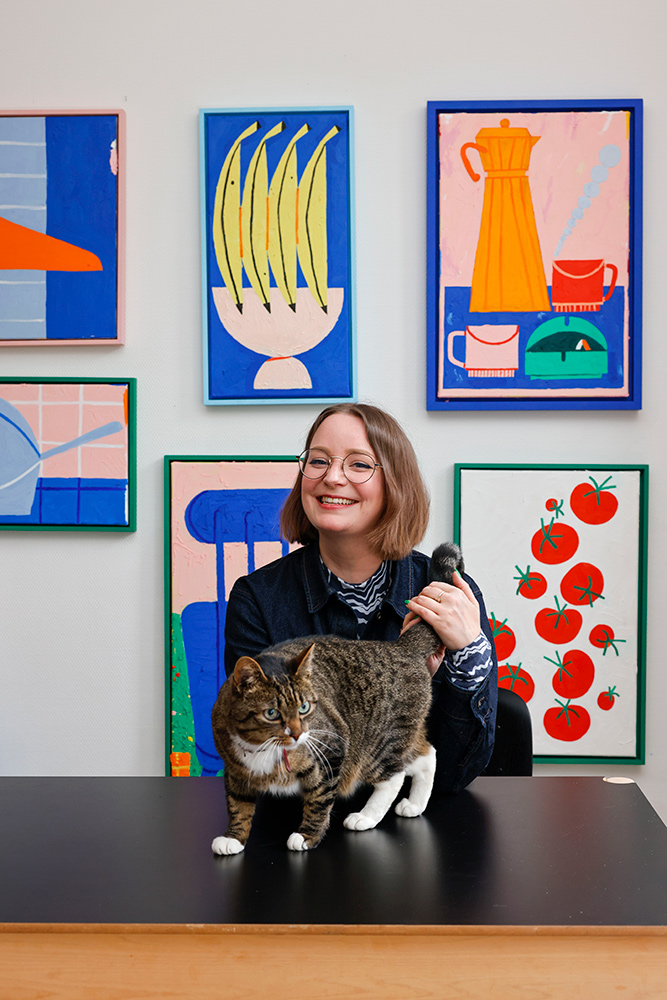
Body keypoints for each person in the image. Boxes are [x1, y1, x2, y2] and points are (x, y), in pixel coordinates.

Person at [224, 403, 497, 792]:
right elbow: (265, 758)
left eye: (358, 464)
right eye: (318, 461)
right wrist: (396, 693)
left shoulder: (450, 595)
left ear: (395, 483)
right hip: (299, 831)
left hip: (422, 829)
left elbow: (457, 772)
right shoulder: (256, 599)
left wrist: (469, 655)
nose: (332, 477)